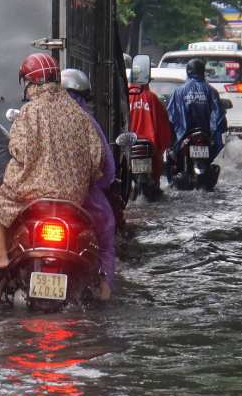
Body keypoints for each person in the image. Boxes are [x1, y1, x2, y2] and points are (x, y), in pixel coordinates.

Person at [0, 53, 104, 270]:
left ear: (31, 82)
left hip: (35, 193)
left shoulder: (30, 112)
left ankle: (0, 254)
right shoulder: (80, 114)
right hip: (74, 197)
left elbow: (19, 150)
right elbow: (97, 159)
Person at [61, 68, 118, 300]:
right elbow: (108, 171)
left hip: (38, 197)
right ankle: (104, 295)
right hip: (85, 200)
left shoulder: (34, 116)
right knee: (105, 242)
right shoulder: (88, 122)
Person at [165, 58, 228, 170]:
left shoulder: (179, 91)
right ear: (202, 73)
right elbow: (218, 114)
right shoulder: (210, 90)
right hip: (205, 134)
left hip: (185, 135)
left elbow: (171, 116)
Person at [128, 60, 173, 192]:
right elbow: (163, 123)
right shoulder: (152, 98)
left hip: (130, 143)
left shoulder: (125, 97)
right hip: (150, 145)